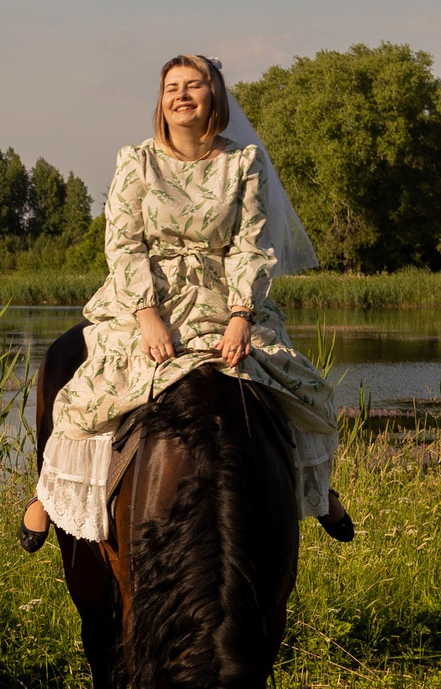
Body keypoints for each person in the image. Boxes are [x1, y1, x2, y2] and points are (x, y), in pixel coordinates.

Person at [21, 54, 352, 549]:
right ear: (161, 100)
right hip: (148, 296)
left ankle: (317, 488)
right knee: (97, 382)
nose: (181, 94)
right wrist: (148, 316)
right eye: (171, 86)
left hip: (226, 293)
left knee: (290, 380)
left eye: (193, 85)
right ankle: (46, 494)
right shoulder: (136, 160)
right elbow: (124, 242)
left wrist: (242, 315)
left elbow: (252, 243)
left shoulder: (243, 162)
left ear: (213, 95)